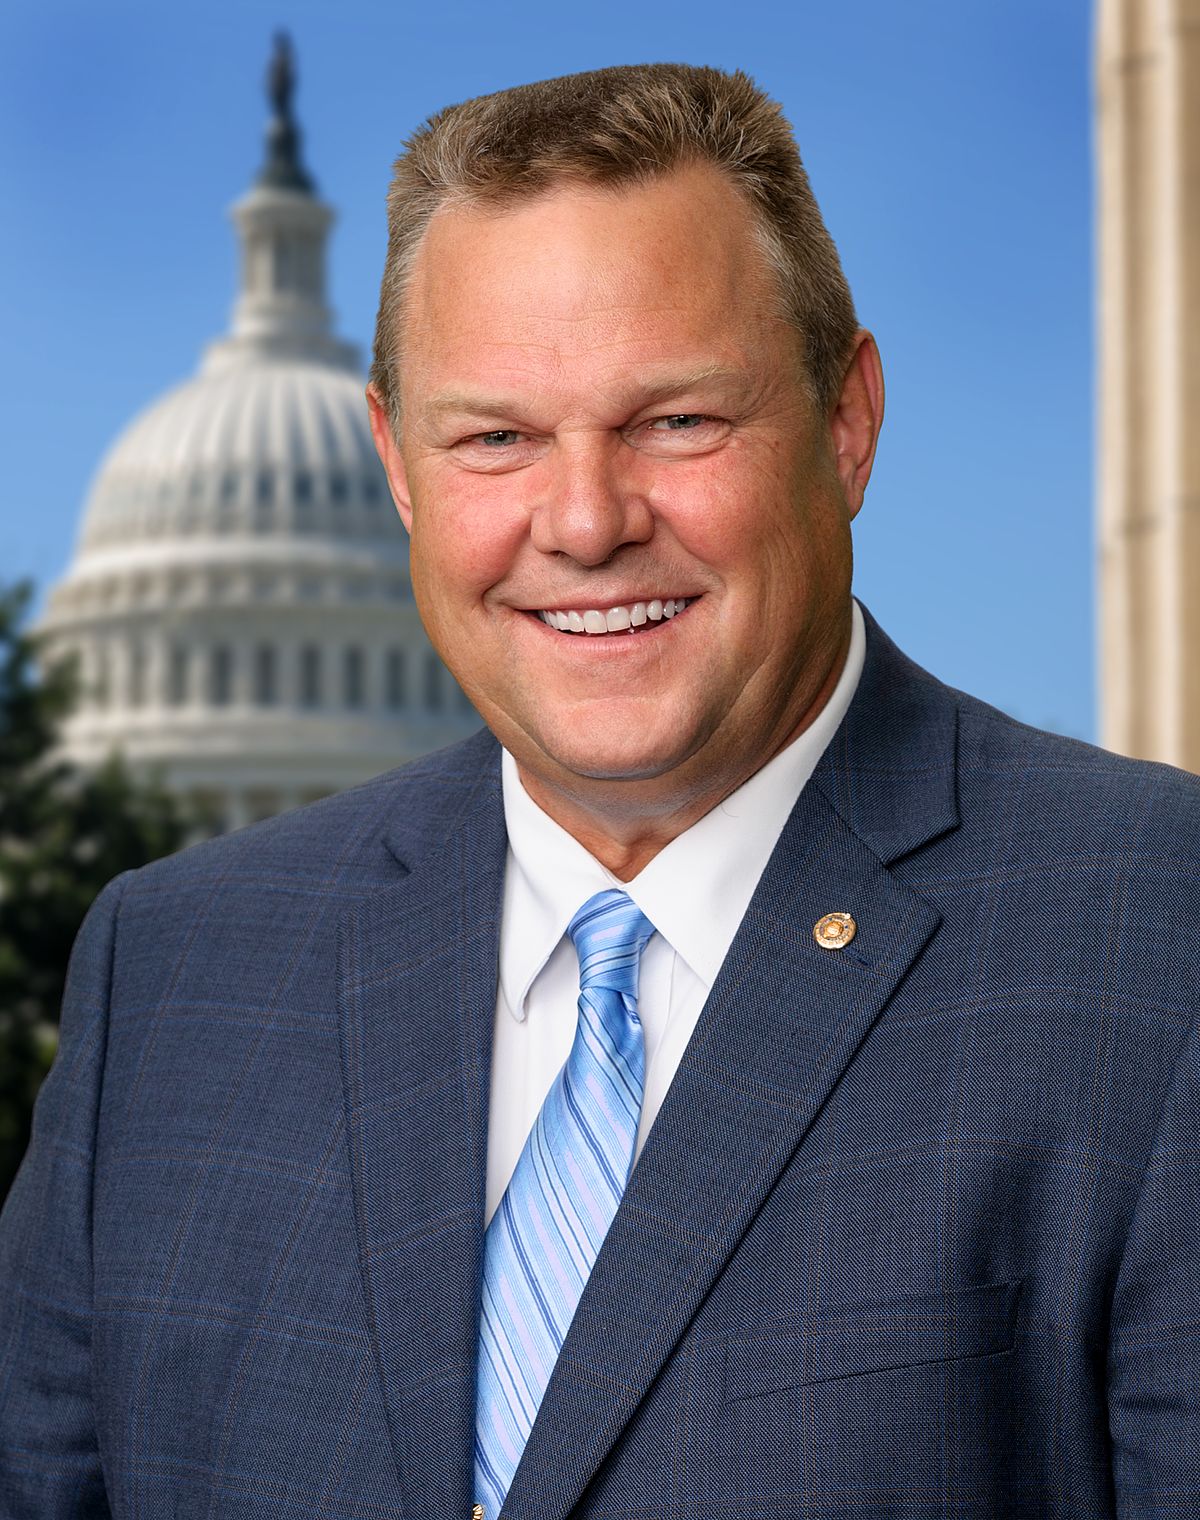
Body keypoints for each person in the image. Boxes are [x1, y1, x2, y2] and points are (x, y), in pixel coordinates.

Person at [1, 62, 1197, 1520]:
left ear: (848, 421)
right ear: (397, 470)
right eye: (495, 438)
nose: (583, 522)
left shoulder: (1157, 932)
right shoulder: (174, 977)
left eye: (677, 420)